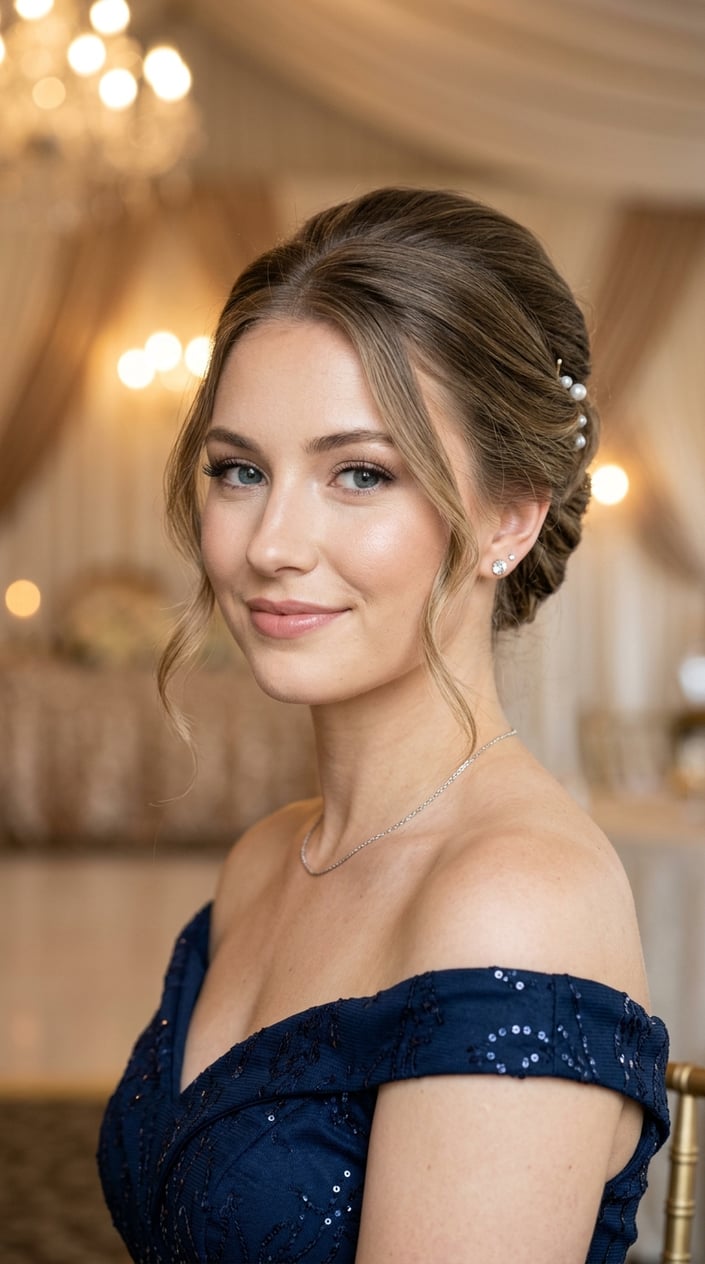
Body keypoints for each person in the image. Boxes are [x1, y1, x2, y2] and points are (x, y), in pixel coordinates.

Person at [98, 187, 669, 1263]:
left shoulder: (516, 902)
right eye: (241, 470)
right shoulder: (267, 857)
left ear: (511, 513)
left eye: (358, 473)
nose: (271, 541)